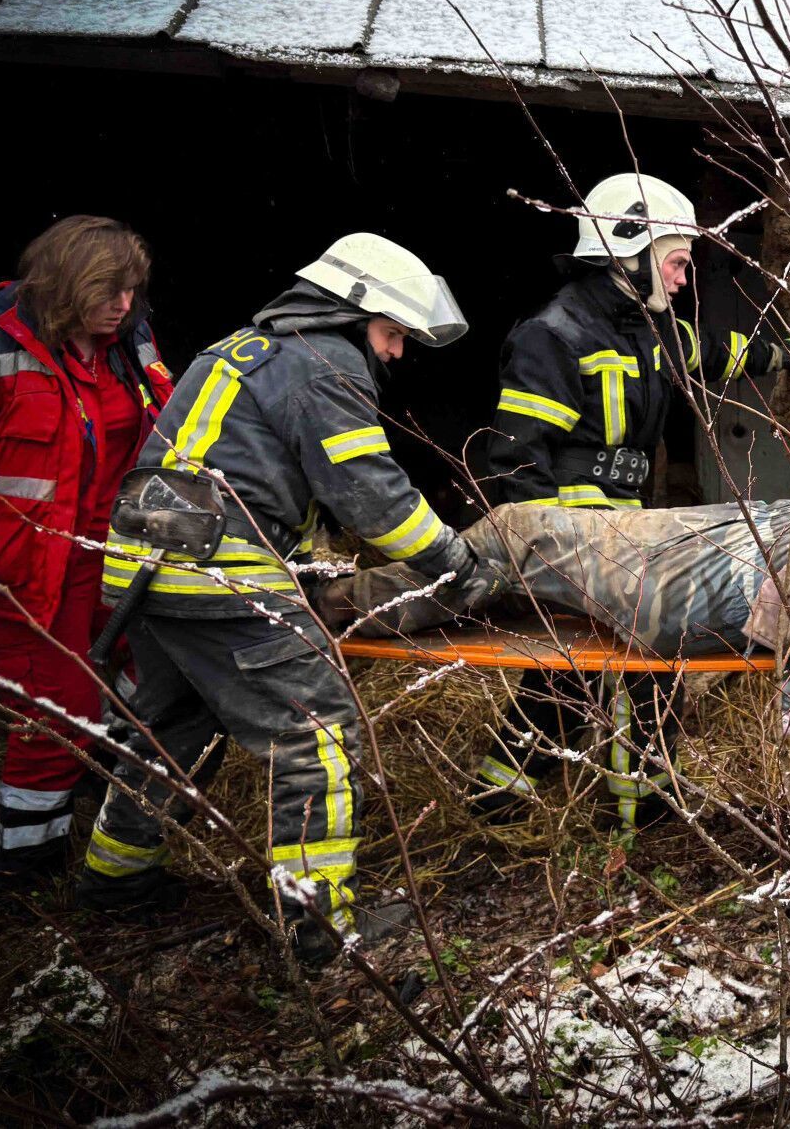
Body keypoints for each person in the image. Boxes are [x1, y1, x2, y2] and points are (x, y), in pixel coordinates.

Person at [75, 234, 495, 965]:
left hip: (148, 568)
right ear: (351, 310)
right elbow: (374, 498)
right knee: (316, 734)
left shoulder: (242, 347)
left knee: (169, 724)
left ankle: (115, 875)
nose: (395, 353)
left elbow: (251, 469)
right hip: (221, 575)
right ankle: (319, 929)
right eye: (394, 334)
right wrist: (453, 559)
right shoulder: (323, 364)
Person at [477, 172, 790, 828]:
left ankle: (512, 796)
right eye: (679, 261)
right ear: (630, 244)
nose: (687, 279)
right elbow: (516, 461)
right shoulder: (555, 333)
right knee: (623, 666)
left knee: (585, 673)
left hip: (631, 528)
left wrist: (789, 354)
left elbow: (718, 354)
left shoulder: (650, 330)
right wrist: (541, 560)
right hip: (573, 534)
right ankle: (628, 806)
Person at [0, 216, 174, 886]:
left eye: (132, 289)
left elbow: (167, 422)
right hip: (21, 567)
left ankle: (94, 796)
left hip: (112, 552)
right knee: (57, 707)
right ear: (68, 283)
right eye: (110, 289)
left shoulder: (128, 340)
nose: (124, 303)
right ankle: (26, 864)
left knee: (153, 671)